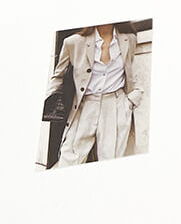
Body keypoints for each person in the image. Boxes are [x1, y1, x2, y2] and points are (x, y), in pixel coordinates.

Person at [45, 21, 144, 167]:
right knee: (69, 159)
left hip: (116, 106)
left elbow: (131, 69)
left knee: (111, 159)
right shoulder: (73, 42)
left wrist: (133, 99)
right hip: (85, 106)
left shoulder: (129, 39)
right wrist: (49, 100)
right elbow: (58, 76)